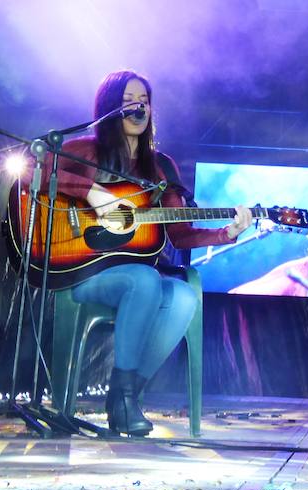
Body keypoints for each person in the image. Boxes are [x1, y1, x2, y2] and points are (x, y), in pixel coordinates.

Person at [40, 70, 253, 436]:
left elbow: (180, 235)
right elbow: (33, 174)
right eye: (127, 101)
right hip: (81, 270)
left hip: (141, 277)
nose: (139, 107)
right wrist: (91, 192)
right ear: (109, 109)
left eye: (144, 101)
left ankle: (124, 397)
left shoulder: (161, 167)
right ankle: (124, 402)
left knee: (183, 297)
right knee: (145, 279)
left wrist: (226, 232)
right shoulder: (83, 151)